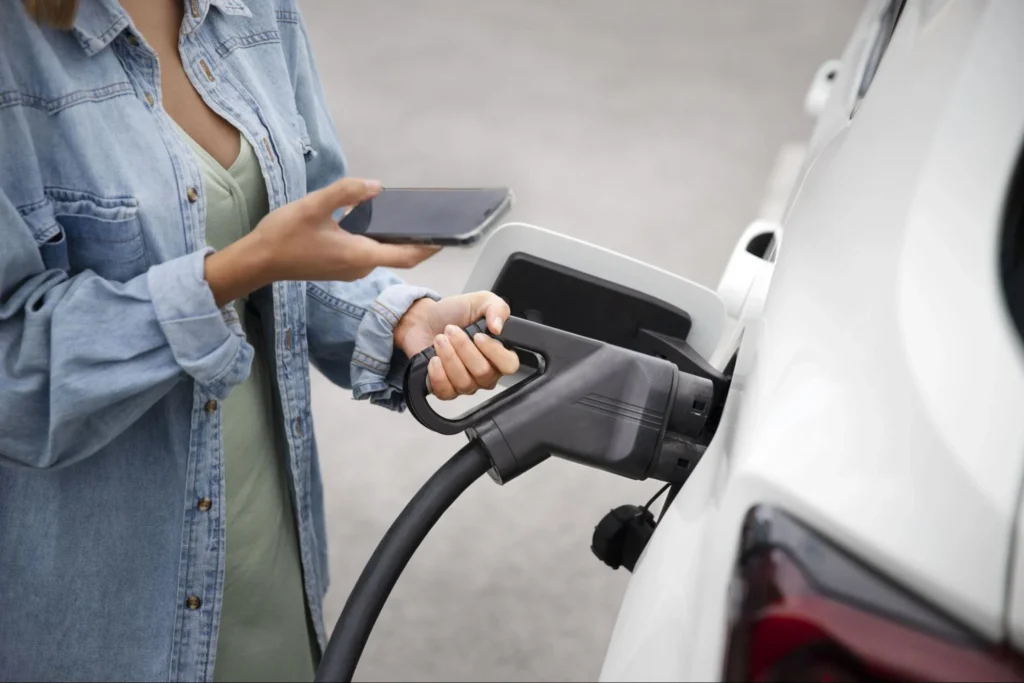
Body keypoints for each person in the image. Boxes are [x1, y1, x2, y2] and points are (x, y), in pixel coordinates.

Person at [0, 1, 521, 681]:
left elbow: (305, 241)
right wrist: (237, 269)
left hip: (269, 578)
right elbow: (16, 374)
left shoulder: (256, 11)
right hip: (105, 628)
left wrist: (401, 320)